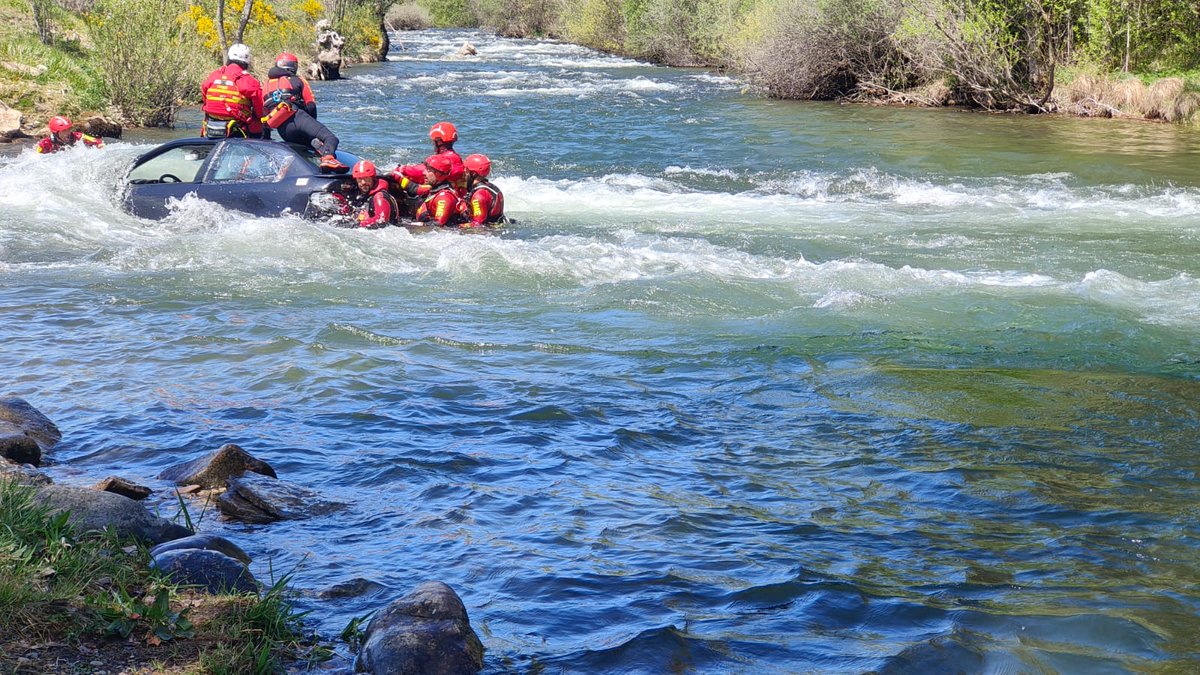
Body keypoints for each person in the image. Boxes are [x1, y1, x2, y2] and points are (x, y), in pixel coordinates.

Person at [262, 52, 345, 171]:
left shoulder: (265, 86)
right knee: (330, 139)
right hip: (299, 117)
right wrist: (312, 126)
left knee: (305, 148)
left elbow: (264, 115)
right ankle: (328, 159)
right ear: (293, 67)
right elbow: (311, 105)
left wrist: (265, 138)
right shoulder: (298, 80)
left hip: (283, 129)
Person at [200, 43, 265, 139]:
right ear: (247, 61)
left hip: (210, 125)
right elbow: (260, 110)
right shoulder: (248, 80)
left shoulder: (214, 75)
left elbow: (205, 95)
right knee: (258, 123)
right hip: (237, 127)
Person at [392, 121, 465, 193]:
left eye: (433, 141)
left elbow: (420, 171)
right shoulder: (455, 157)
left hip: (442, 193)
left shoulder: (445, 159)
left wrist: (402, 169)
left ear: (438, 141)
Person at [413, 154, 462, 227]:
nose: (424, 173)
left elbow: (438, 224)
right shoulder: (435, 190)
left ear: (439, 174)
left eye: (428, 170)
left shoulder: (444, 198)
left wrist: (410, 226)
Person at [459, 153, 505, 227]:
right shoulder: (490, 187)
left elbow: (478, 225)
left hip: (488, 232)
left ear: (473, 173)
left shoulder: (478, 195)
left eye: (466, 170)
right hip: (496, 225)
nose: (464, 173)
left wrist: (455, 228)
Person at [351, 160, 399, 229]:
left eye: (366, 178)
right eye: (359, 179)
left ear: (373, 177)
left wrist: (357, 225)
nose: (363, 182)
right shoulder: (364, 195)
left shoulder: (380, 197)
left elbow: (381, 221)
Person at [36, 116, 103, 154]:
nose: (68, 132)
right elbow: (36, 157)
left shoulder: (78, 136)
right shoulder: (45, 144)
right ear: (55, 132)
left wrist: (99, 145)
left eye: (68, 129)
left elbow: (97, 141)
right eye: (64, 130)